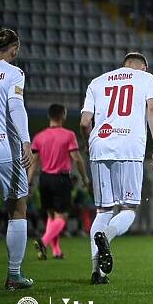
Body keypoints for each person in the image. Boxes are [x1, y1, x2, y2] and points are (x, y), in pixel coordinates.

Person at [80, 52, 153, 285]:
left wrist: (90, 143)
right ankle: (106, 236)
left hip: (99, 145)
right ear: (143, 67)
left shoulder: (97, 81)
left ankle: (98, 272)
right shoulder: (148, 80)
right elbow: (152, 109)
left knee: (103, 211)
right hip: (129, 147)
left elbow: (85, 122)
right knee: (128, 209)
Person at [29, 103, 89, 259]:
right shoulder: (68, 135)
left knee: (51, 217)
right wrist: (84, 177)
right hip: (61, 179)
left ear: (49, 116)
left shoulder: (39, 137)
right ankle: (43, 241)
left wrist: (29, 182)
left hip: (44, 179)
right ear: (63, 115)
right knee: (62, 217)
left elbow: (34, 162)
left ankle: (56, 251)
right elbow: (77, 159)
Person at [0, 29, 34, 290]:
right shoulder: (14, 73)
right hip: (3, 149)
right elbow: (15, 107)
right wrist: (25, 140)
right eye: (16, 48)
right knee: (17, 209)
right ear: (12, 48)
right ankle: (14, 275)